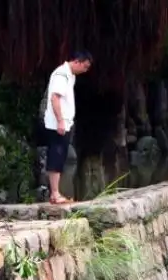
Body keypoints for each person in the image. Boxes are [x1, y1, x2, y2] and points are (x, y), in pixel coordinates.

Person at [43, 50, 93, 204]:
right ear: (77, 61)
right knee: (56, 155)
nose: (85, 71)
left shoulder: (70, 76)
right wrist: (60, 121)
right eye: (84, 67)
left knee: (61, 155)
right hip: (58, 123)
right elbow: (55, 98)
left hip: (65, 122)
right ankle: (55, 193)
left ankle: (56, 192)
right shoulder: (61, 75)